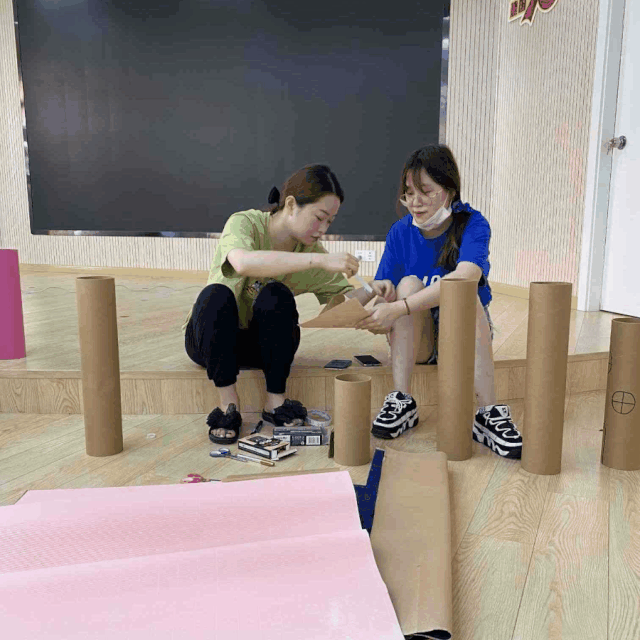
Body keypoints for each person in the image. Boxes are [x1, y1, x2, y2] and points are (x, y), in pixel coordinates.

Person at [182, 164, 376, 445]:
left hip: (259, 349)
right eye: (319, 218)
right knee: (215, 295)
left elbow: (342, 305)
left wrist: (373, 290)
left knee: (276, 295)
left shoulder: (311, 251)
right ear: (292, 205)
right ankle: (227, 405)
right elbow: (243, 262)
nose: (323, 230)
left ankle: (276, 403)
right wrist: (319, 260)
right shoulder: (245, 223)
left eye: (330, 222)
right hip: (211, 342)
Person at [354, 144, 523, 459]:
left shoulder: (473, 223)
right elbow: (385, 292)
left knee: (464, 291)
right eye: (409, 194)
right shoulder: (400, 232)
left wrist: (400, 307)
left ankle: (488, 413)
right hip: (419, 342)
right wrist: (381, 305)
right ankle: (402, 399)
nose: (415, 202)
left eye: (425, 192)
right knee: (407, 283)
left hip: (462, 340)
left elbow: (467, 275)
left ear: (449, 191)